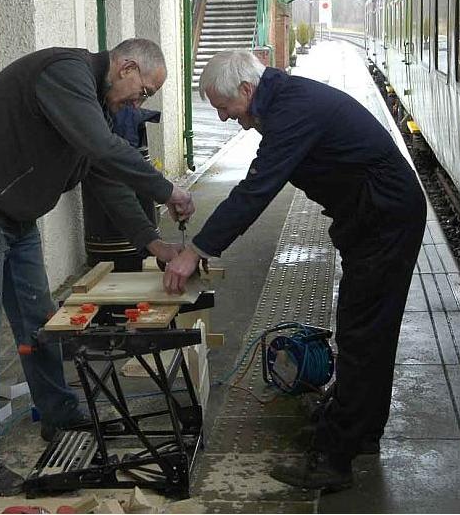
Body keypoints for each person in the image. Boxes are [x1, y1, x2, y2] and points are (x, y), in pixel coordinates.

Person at [0, 38, 194, 497]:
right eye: (145, 91)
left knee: (42, 323)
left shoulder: (96, 104)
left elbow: (106, 175)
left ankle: (59, 416)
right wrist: (165, 190)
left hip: (16, 215)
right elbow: (105, 150)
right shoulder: (66, 74)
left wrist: (151, 242)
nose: (142, 101)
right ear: (127, 67)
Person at [162, 50, 426, 492]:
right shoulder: (285, 101)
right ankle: (360, 429)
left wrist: (198, 250)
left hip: (386, 219)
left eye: (225, 108)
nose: (225, 119)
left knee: (363, 333)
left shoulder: (291, 111)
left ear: (247, 90)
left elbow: (257, 189)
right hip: (374, 216)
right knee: (367, 330)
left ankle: (336, 458)